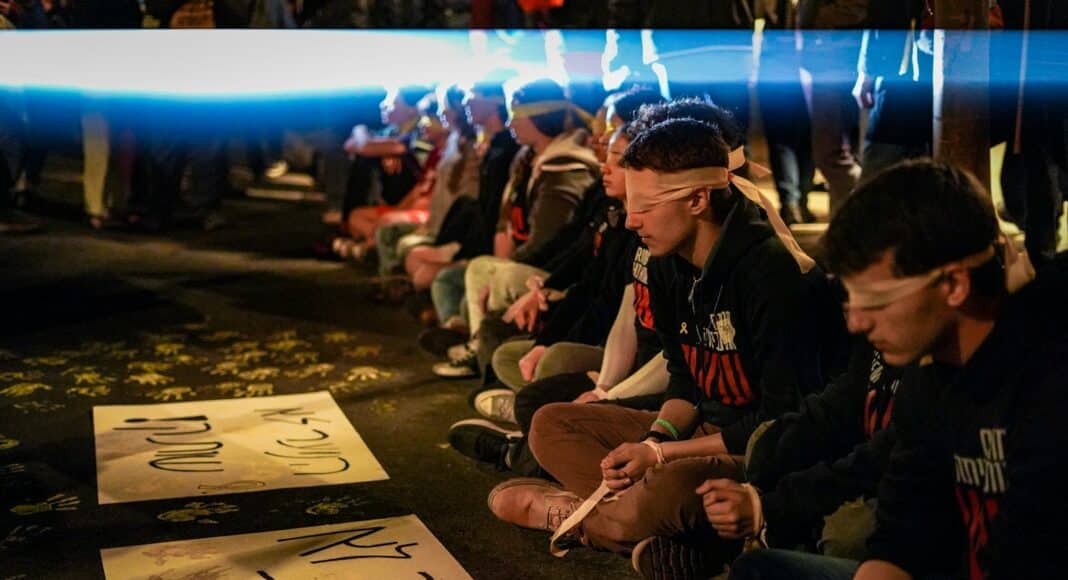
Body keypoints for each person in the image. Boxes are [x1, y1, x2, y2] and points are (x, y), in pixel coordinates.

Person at [487, 117, 820, 558]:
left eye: (644, 205)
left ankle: (583, 519)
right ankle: (651, 526)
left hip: (760, 449)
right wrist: (655, 440)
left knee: (672, 487)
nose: (630, 221)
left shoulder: (769, 274)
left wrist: (664, 457)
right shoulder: (665, 261)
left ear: (698, 199)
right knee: (551, 423)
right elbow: (683, 380)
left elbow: (778, 420)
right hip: (700, 435)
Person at [729, 159, 1063, 580]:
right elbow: (905, 524)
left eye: (875, 299)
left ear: (955, 285)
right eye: (850, 300)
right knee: (760, 571)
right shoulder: (930, 372)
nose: (855, 322)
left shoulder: (1046, 382)